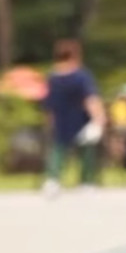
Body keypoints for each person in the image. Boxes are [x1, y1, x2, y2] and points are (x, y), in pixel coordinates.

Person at [39, 38, 105, 196]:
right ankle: (86, 181)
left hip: (61, 119)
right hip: (80, 118)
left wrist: (49, 120)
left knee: (58, 150)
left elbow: (49, 103)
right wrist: (99, 118)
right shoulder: (81, 76)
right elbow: (90, 98)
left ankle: (53, 179)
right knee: (86, 151)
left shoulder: (52, 78)